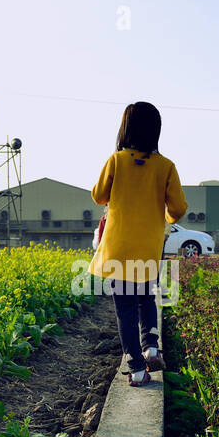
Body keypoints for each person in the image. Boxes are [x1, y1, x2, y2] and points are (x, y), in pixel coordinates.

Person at [89, 101, 187, 386]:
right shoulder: (166, 166)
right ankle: (151, 348)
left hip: (119, 248)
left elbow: (99, 196)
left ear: (125, 129)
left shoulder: (116, 161)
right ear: (156, 130)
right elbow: (178, 208)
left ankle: (137, 368)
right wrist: (165, 215)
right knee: (147, 297)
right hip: (149, 248)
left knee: (125, 308)